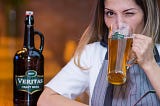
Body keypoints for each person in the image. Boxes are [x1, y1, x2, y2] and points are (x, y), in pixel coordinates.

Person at [37, 0, 160, 105]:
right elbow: (45, 99)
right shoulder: (92, 53)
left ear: (147, 15)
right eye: (110, 13)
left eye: (129, 13)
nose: (118, 25)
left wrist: (150, 64)